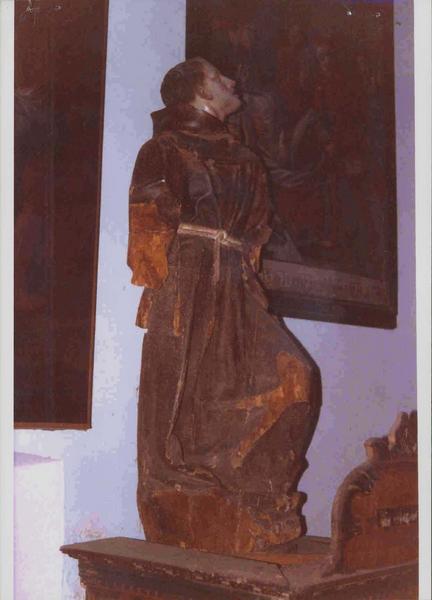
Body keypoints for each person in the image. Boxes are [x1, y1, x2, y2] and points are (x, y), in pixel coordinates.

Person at [128, 58, 321, 555]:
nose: (232, 82)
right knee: (186, 385)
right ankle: (183, 483)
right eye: (218, 78)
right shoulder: (164, 148)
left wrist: (249, 289)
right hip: (187, 279)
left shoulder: (246, 158)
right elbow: (148, 223)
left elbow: (255, 231)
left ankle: (253, 486)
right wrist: (163, 292)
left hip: (237, 281)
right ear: (195, 93)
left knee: (295, 377)